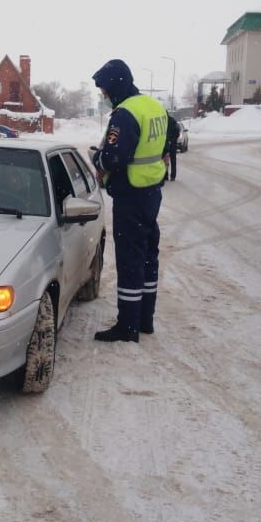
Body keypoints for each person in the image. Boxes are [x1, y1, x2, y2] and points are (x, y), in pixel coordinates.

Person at [91, 59, 168, 343]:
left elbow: (113, 158)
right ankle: (145, 320)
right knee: (148, 258)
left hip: (130, 195)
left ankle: (128, 327)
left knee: (130, 261)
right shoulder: (153, 106)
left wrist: (97, 157)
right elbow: (170, 135)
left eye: (105, 91)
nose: (104, 97)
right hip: (151, 193)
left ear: (116, 86)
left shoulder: (125, 114)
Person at [164, 112, 179, 181]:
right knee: (168, 160)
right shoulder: (165, 121)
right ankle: (168, 176)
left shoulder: (172, 121)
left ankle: (171, 176)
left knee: (169, 160)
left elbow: (177, 133)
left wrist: (171, 140)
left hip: (170, 144)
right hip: (167, 143)